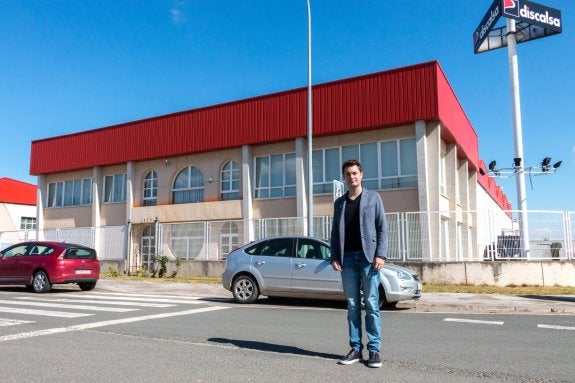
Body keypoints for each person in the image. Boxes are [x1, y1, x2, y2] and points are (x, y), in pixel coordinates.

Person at [330, 159, 388, 368]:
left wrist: (380, 255)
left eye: (355, 173)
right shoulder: (340, 203)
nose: (352, 177)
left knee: (372, 304)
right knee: (353, 305)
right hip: (347, 259)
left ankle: (374, 350)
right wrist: (334, 255)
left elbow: (382, 227)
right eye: (348, 174)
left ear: (361, 175)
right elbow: (335, 232)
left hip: (368, 259)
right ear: (344, 178)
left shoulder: (373, 198)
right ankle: (355, 348)